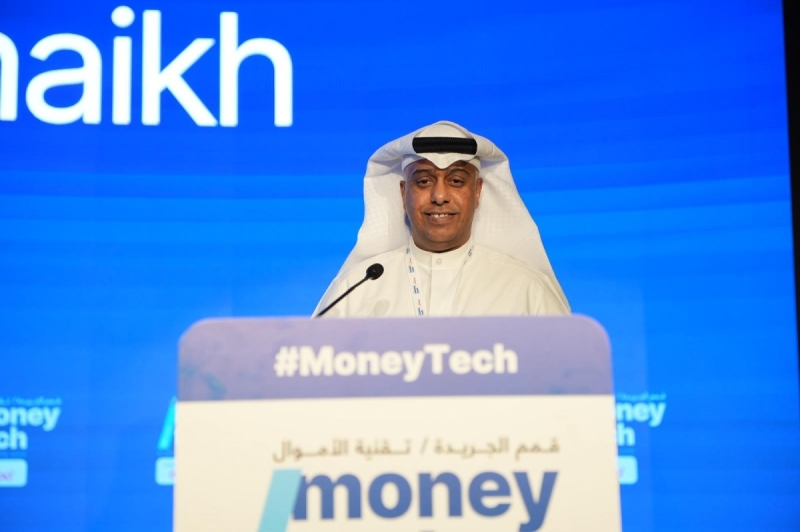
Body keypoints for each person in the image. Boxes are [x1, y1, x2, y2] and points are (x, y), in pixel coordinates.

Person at [315, 121, 569, 317]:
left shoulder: (527, 291)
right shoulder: (357, 288)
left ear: (477, 191)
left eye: (456, 181)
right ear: (404, 193)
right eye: (424, 181)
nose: (439, 196)